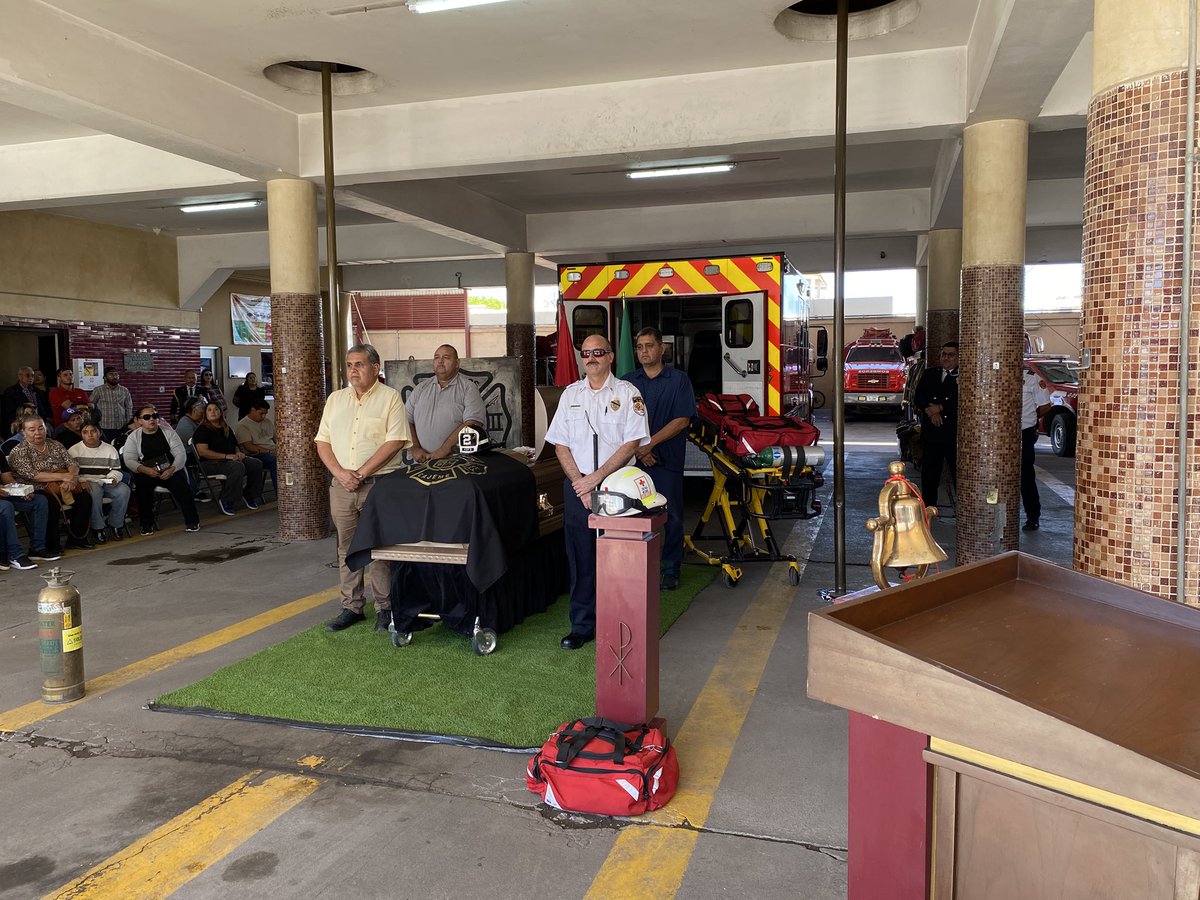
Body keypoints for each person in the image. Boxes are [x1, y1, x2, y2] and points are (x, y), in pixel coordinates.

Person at [545, 334, 650, 650]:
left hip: (617, 488)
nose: (591, 358)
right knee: (581, 557)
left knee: (620, 559)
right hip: (579, 489)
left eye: (598, 352)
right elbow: (560, 443)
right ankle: (582, 625)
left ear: (610, 357)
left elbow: (632, 442)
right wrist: (580, 482)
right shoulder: (570, 395)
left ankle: (622, 623)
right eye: (586, 353)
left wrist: (597, 478)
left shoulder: (628, 393)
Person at [315, 344, 410, 633]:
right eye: (349, 365)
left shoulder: (390, 398)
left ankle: (385, 608)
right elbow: (322, 442)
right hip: (341, 486)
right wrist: (341, 474)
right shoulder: (335, 399)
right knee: (346, 548)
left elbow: (394, 441)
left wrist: (361, 473)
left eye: (359, 364)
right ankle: (351, 607)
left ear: (375, 367)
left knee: (379, 547)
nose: (353, 370)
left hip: (378, 485)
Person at [622, 326, 696, 592]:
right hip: (632, 463)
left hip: (667, 461)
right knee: (632, 514)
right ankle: (635, 567)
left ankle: (670, 568)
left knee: (672, 516)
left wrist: (648, 444)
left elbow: (682, 419)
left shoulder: (678, 380)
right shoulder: (627, 382)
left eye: (649, 346)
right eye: (640, 347)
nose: (644, 351)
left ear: (661, 348)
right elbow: (619, 422)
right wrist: (639, 450)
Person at [6, 415, 95, 551]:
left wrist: (72, 477)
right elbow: (32, 475)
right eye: (32, 429)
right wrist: (63, 476)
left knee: (85, 498)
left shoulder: (55, 444)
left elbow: (72, 463)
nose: (37, 432)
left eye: (41, 428)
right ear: (23, 432)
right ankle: (52, 544)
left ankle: (76, 540)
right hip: (37, 487)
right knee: (49, 503)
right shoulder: (19, 451)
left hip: (63, 484)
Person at [121, 405, 200, 535]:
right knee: (142, 488)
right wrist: (144, 469)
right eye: (146, 417)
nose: (151, 419)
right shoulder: (134, 437)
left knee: (182, 486)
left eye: (154, 416)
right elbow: (129, 459)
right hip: (147, 471)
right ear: (139, 421)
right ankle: (146, 524)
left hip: (170, 469)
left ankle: (192, 521)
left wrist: (172, 469)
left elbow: (180, 454)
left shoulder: (169, 432)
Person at [405, 344, 486, 462]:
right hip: (421, 464)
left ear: (457, 363)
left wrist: (444, 449)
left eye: (446, 357)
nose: (440, 361)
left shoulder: (468, 388)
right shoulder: (421, 388)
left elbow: (472, 423)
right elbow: (406, 421)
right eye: (436, 357)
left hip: (458, 463)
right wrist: (415, 449)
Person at [193, 401, 265, 515]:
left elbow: (235, 445)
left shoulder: (226, 428)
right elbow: (203, 452)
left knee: (255, 463)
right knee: (237, 467)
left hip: (230, 459)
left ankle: (249, 493)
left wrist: (239, 453)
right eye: (209, 410)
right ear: (205, 414)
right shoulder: (202, 430)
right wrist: (226, 456)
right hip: (210, 463)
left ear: (221, 412)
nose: (213, 412)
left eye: (216, 409)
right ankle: (227, 498)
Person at [912, 341, 959, 507]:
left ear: (958, 357)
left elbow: (962, 400)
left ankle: (963, 509)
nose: (946, 358)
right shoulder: (930, 373)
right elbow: (918, 396)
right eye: (943, 354)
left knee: (958, 473)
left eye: (951, 354)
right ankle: (928, 508)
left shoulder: (963, 376)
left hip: (952, 434)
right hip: (932, 432)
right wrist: (929, 410)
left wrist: (939, 408)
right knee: (930, 473)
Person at [69, 422, 131, 543]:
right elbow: (71, 473)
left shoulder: (109, 449)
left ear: (99, 432)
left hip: (105, 480)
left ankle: (116, 524)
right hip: (86, 481)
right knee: (94, 492)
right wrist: (80, 481)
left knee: (124, 490)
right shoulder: (74, 450)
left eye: (93, 431)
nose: (90, 435)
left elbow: (117, 470)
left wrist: (113, 478)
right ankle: (97, 527)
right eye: (85, 432)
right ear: (81, 435)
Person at [0, 452, 53, 563]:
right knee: (6, 507)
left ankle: (37, 548)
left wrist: (21, 489)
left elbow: (6, 478)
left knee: (39, 500)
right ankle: (15, 554)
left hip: (4, 493)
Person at [1021, 366, 1053, 532]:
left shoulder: (1031, 378)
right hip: (999, 433)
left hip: (1024, 433)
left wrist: (1032, 419)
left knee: (1025, 476)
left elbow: (1046, 405)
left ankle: (1032, 516)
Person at [235, 400, 277, 490]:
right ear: (253, 410)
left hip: (272, 450)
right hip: (257, 454)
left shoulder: (267, 422)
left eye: (265, 414)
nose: (263, 416)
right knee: (275, 461)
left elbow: (276, 439)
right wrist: (270, 451)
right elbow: (249, 447)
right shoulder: (242, 425)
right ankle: (280, 492)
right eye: (261, 413)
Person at [90, 368, 134, 443]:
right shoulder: (98, 390)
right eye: (111, 374)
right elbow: (91, 404)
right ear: (105, 378)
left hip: (121, 426)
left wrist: (129, 423)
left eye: (116, 374)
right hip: (105, 426)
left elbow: (129, 407)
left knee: (121, 446)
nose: (114, 376)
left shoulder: (124, 390)